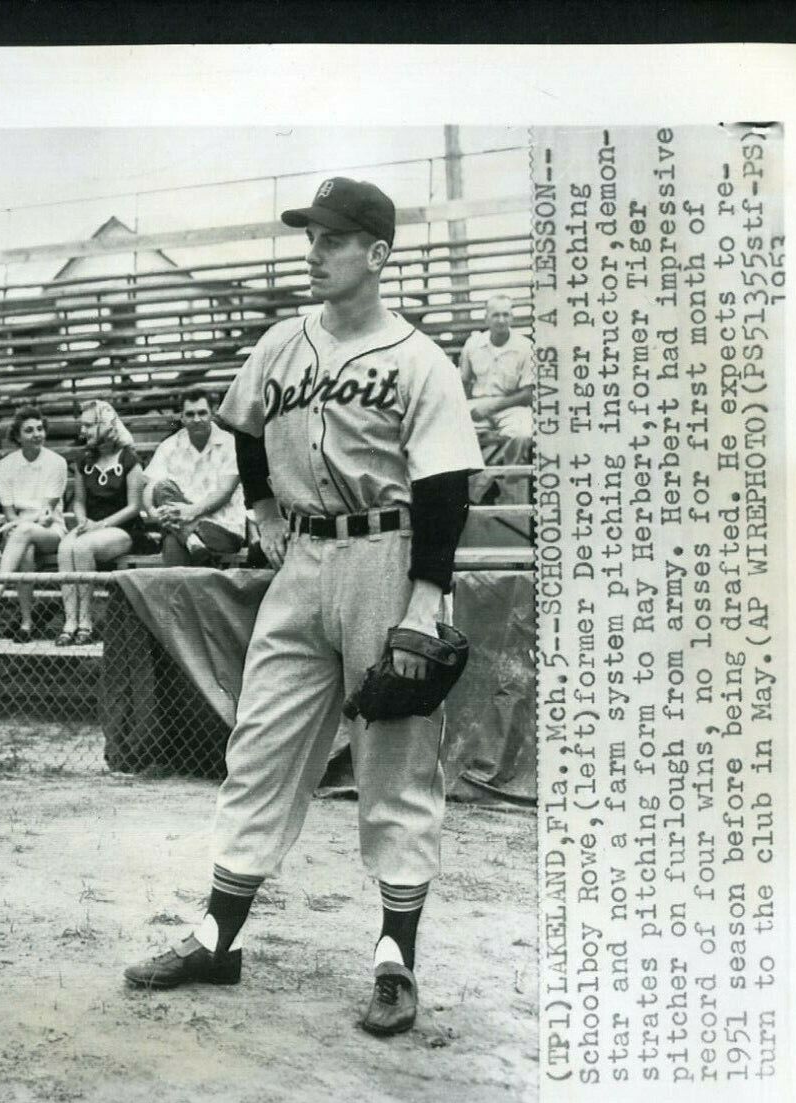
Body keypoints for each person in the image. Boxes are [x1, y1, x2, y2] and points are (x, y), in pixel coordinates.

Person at [122, 177, 484, 1038]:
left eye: (331, 237)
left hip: (388, 559)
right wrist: (263, 509)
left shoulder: (419, 361)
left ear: (378, 254)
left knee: (392, 762)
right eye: (310, 235)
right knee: (260, 744)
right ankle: (218, 936)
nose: (313, 251)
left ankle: (395, 959)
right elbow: (244, 425)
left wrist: (423, 604)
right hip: (303, 559)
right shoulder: (283, 343)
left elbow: (444, 491)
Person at [54, 400, 144, 645]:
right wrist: (82, 519)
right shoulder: (84, 460)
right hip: (92, 526)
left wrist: (100, 525)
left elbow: (134, 506)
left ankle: (85, 621)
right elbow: (79, 501)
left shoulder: (129, 459)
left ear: (105, 425)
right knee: (65, 547)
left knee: (82, 547)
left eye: (88, 426)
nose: (82, 432)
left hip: (122, 529)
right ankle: (69, 620)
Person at [0, 406, 68, 642]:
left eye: (40, 429)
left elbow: (48, 513)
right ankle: (26, 624)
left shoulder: (57, 462)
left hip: (52, 531)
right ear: (17, 436)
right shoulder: (5, 465)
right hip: (18, 530)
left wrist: (21, 524)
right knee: (25, 552)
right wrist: (18, 525)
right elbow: (8, 511)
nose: (37, 434)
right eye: (29, 430)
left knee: (24, 531)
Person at [141, 388, 247, 566]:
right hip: (180, 523)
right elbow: (151, 488)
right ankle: (191, 541)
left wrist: (191, 512)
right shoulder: (170, 446)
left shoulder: (229, 444)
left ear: (212, 413)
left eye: (202, 413)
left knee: (173, 539)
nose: (196, 419)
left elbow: (224, 492)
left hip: (223, 528)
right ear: (181, 417)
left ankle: (188, 539)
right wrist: (153, 513)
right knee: (162, 490)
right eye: (190, 414)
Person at [458, 294, 535, 505]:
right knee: (449, 430)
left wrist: (492, 406)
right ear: (486, 319)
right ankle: (480, 485)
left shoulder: (525, 347)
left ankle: (488, 481)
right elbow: (463, 383)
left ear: (512, 318)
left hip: (512, 404)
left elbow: (528, 394)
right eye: (495, 315)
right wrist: (462, 410)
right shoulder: (473, 344)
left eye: (505, 314)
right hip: (478, 404)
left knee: (522, 434)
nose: (501, 320)